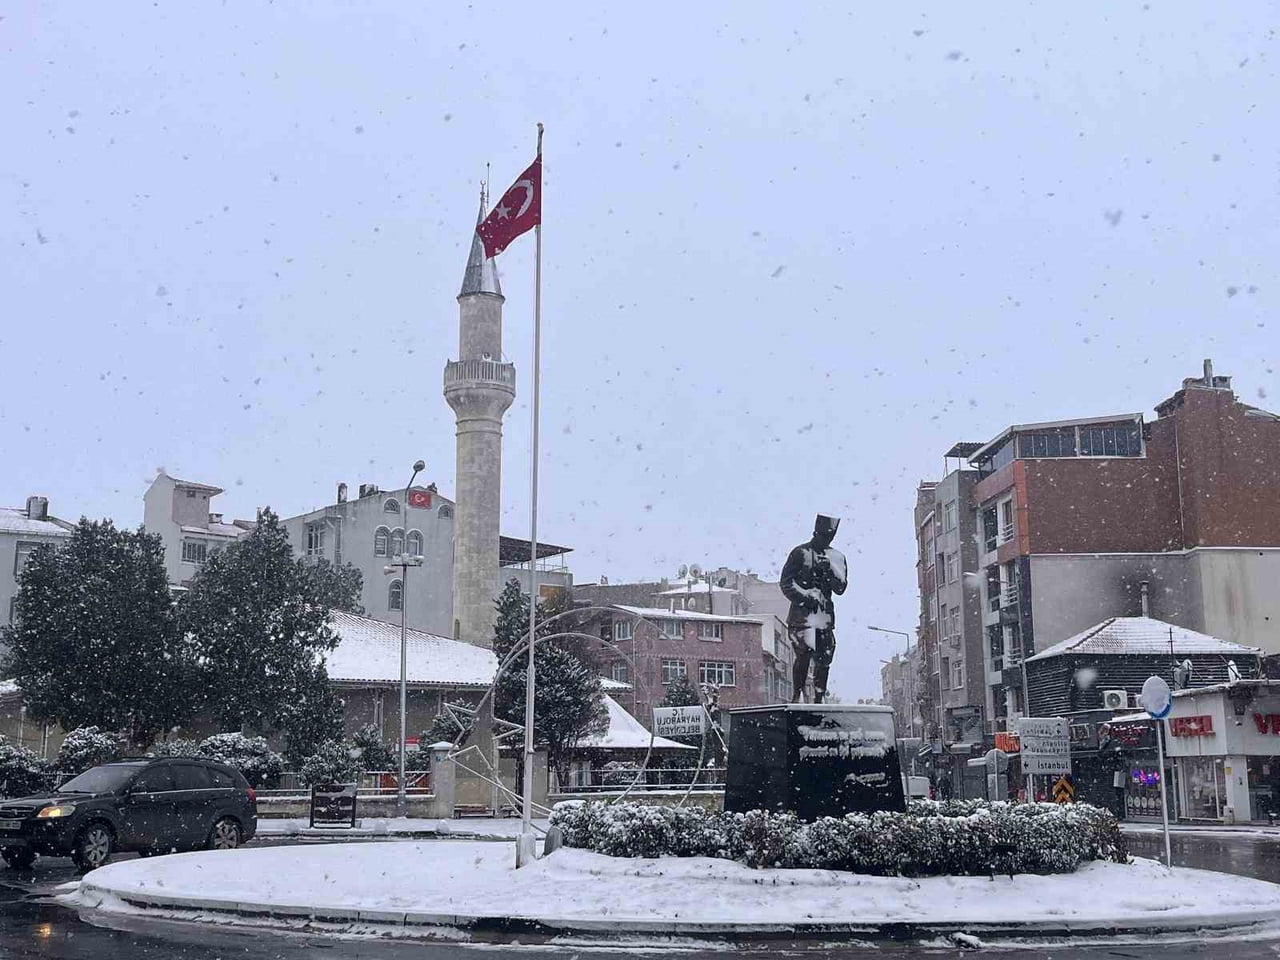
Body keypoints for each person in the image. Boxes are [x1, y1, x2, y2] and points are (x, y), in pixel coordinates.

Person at [780, 514, 848, 703]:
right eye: (822, 536)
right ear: (815, 533)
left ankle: (819, 697)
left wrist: (830, 571)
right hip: (801, 617)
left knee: (824, 658)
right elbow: (786, 583)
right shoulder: (799, 553)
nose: (825, 540)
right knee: (803, 655)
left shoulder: (837, 557)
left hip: (824, 617)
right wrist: (805, 596)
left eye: (829, 537)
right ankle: (797, 695)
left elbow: (840, 588)